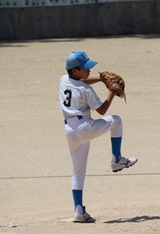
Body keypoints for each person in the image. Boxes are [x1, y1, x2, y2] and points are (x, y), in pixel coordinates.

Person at [59, 51, 138, 223]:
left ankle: (78, 211)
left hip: (70, 131)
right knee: (116, 121)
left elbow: (81, 80)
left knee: (77, 172)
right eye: (85, 68)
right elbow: (102, 110)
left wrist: (101, 79)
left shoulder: (64, 80)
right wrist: (112, 91)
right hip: (85, 127)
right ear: (75, 70)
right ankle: (116, 159)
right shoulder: (86, 90)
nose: (89, 70)